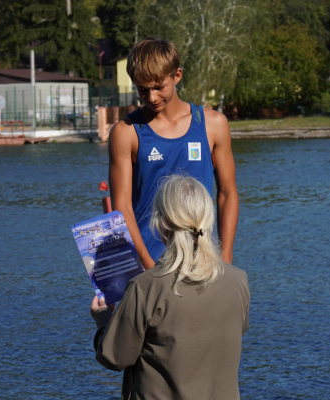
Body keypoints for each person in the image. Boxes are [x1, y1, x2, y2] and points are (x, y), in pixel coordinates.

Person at [90, 175, 250, 399]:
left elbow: (115, 356)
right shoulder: (238, 281)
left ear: (162, 224)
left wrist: (103, 319)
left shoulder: (145, 287)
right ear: (206, 219)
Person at [108, 37, 238, 269]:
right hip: (147, 264)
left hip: (202, 263)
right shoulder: (125, 132)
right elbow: (122, 208)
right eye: (143, 90)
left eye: (159, 87)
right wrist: (147, 266)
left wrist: (225, 258)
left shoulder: (214, 125)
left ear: (177, 75)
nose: (152, 98)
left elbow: (227, 193)